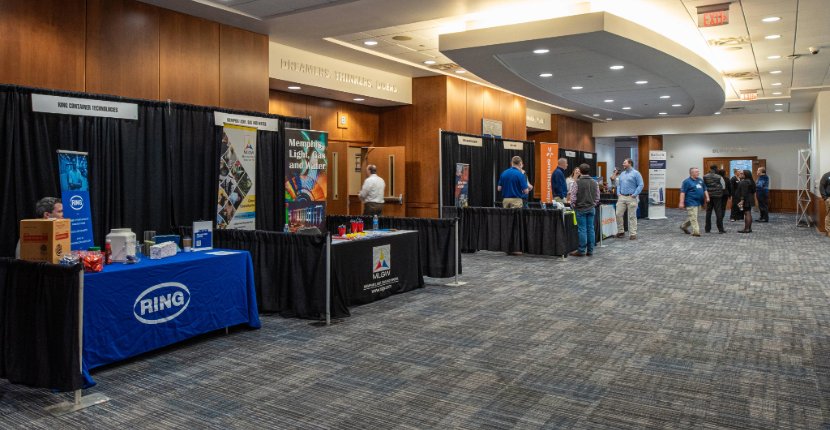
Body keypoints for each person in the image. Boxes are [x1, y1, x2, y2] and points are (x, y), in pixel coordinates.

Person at [569, 164, 600, 257]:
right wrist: (593, 204)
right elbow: (597, 197)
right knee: (590, 229)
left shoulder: (577, 182)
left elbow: (573, 197)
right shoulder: (595, 183)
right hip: (591, 208)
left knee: (582, 230)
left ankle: (581, 250)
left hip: (580, 209)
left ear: (580, 172)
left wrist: (573, 206)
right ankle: (590, 251)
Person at [613, 158, 644, 240]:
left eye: (625, 163)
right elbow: (619, 184)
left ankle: (633, 233)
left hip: (631, 197)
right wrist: (618, 193)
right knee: (618, 214)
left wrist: (635, 194)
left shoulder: (636, 173)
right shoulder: (622, 174)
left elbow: (641, 185)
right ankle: (621, 231)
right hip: (622, 196)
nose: (623, 164)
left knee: (632, 216)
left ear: (630, 163)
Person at [679, 167, 710, 236]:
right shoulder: (687, 181)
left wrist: (707, 197)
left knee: (693, 217)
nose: (698, 173)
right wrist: (681, 202)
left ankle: (683, 227)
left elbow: (705, 189)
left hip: (699, 202)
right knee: (694, 217)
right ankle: (696, 231)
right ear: (692, 173)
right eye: (696, 172)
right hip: (691, 202)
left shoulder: (700, 180)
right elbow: (683, 192)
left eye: (698, 171)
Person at [703, 164, 726, 234]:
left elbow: (704, 186)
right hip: (717, 196)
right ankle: (720, 229)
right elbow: (723, 186)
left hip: (709, 196)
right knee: (718, 212)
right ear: (716, 169)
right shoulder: (719, 177)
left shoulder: (705, 176)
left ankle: (707, 228)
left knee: (708, 212)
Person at [820, 170, 830, 236]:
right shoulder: (827, 175)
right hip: (829, 198)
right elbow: (822, 186)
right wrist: (825, 198)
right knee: (829, 215)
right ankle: (828, 231)